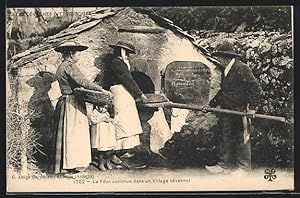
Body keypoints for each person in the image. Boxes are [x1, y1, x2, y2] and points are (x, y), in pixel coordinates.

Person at [52, 41, 113, 175]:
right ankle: (74, 165)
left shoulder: (61, 67)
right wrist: (102, 90)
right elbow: (83, 82)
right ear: (71, 54)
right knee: (75, 133)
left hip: (65, 101)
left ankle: (67, 164)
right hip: (72, 103)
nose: (79, 56)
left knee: (68, 134)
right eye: (78, 53)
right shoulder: (70, 66)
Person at [204, 41, 262, 174]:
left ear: (226, 57)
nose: (218, 59)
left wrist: (252, 108)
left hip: (240, 109)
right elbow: (223, 91)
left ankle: (243, 168)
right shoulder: (226, 69)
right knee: (225, 137)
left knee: (242, 138)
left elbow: (255, 88)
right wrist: (211, 104)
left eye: (219, 57)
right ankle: (223, 165)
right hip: (227, 109)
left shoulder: (241, 68)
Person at [106, 41, 148, 166]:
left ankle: (122, 150)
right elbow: (127, 79)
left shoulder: (120, 62)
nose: (128, 55)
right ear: (122, 51)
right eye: (127, 53)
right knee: (121, 122)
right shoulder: (117, 63)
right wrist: (140, 94)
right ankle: (113, 153)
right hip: (119, 92)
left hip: (124, 93)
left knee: (128, 122)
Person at [90, 104, 116, 171]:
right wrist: (101, 119)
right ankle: (100, 163)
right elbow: (93, 120)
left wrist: (109, 120)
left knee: (108, 149)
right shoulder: (95, 112)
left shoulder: (107, 113)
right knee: (101, 149)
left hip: (108, 134)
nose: (103, 109)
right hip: (101, 135)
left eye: (105, 108)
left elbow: (114, 120)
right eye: (102, 107)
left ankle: (108, 162)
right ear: (97, 106)